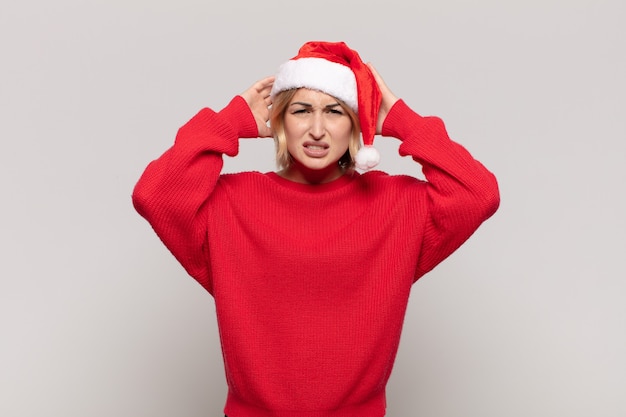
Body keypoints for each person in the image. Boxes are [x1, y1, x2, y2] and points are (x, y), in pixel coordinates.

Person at [132, 41, 500, 417]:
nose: (317, 130)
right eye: (302, 110)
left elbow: (479, 194)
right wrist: (229, 122)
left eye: (335, 111)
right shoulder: (230, 203)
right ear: (279, 119)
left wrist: (402, 121)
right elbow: (154, 194)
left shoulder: (396, 204)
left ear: (356, 122)